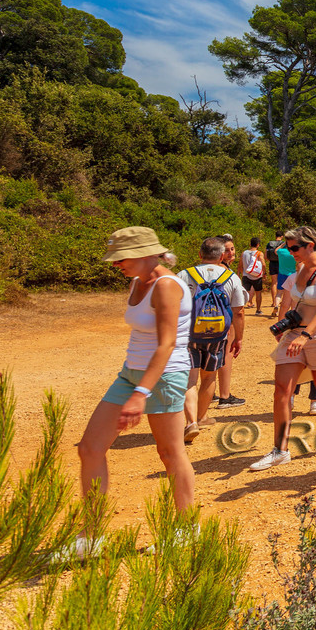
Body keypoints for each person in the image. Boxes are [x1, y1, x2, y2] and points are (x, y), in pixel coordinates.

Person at [69, 227, 197, 556]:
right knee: (89, 448)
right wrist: (135, 384)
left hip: (165, 375)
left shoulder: (167, 286)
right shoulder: (138, 281)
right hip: (131, 372)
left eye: (121, 258)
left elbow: (167, 344)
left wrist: (141, 393)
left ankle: (186, 529)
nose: (115, 265)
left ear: (144, 253)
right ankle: (91, 537)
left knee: (170, 453)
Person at [250, 227, 316, 471]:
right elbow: (291, 299)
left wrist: (306, 335)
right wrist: (284, 327)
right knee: (282, 390)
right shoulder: (300, 269)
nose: (290, 252)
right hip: (294, 334)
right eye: (288, 248)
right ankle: (280, 450)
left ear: (311, 245)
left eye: (294, 248)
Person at [178, 237, 246, 442]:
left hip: (190, 334)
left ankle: (191, 422)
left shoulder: (184, 274)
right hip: (217, 336)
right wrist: (238, 338)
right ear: (222, 255)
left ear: (200, 255)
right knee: (208, 378)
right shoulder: (231, 277)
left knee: (190, 380)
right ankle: (201, 417)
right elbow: (239, 312)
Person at [215, 236, 246, 407]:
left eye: (232, 249)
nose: (231, 253)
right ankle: (225, 396)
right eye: (226, 250)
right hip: (227, 320)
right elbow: (238, 309)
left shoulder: (206, 270)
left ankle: (210, 392)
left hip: (208, 319)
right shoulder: (226, 273)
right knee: (227, 354)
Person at [240, 236, 267, 316]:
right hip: (257, 277)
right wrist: (264, 273)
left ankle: (240, 309)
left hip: (246, 275)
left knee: (243, 293)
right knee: (258, 293)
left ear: (250, 244)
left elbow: (240, 265)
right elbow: (263, 264)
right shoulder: (259, 253)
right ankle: (258, 310)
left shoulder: (244, 253)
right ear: (258, 244)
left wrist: (242, 273)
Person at [274, 233, 298, 320]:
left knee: (279, 293)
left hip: (281, 275)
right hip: (292, 275)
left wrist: (283, 243)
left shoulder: (281, 252)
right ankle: (292, 312)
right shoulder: (293, 253)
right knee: (292, 296)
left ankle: (276, 306)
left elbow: (276, 250)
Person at [265, 233, 282, 316]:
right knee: (281, 282)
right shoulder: (283, 244)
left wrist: (270, 260)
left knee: (274, 282)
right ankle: (279, 301)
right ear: (282, 236)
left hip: (272, 263)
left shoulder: (269, 243)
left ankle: (273, 302)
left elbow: (266, 256)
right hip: (281, 264)